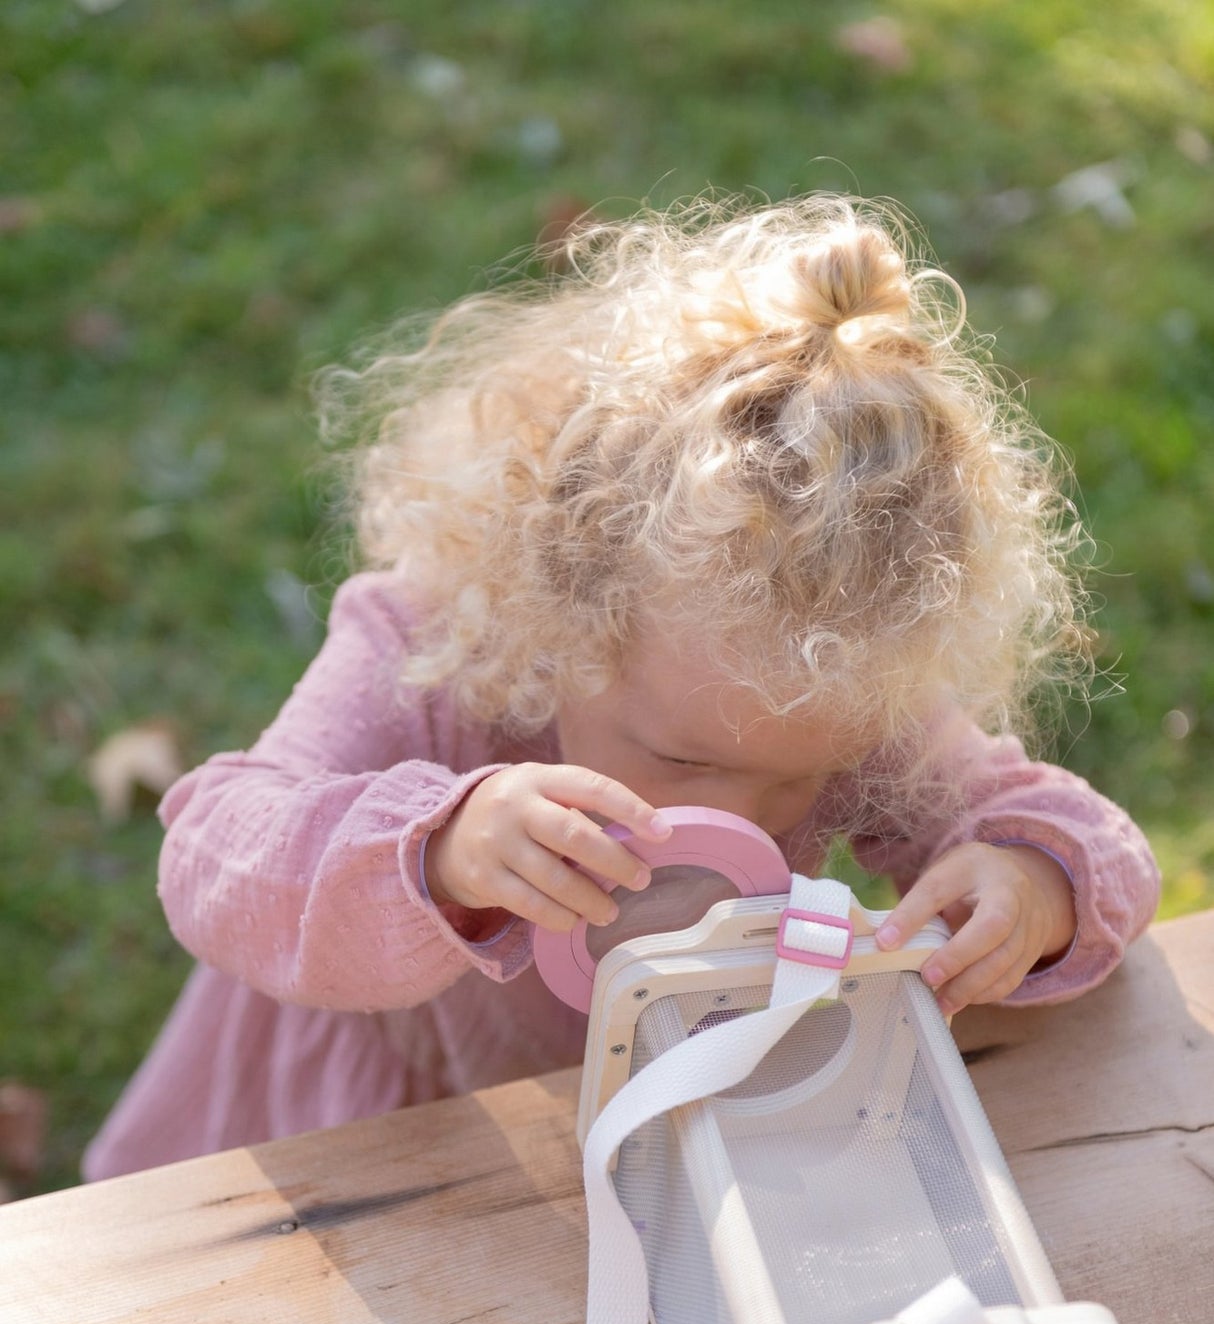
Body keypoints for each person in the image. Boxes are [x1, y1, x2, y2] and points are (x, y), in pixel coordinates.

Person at [83, 195, 1159, 1180]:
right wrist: (442, 850)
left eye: (797, 784)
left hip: (655, 1126)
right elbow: (214, 850)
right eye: (684, 760)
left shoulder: (836, 684)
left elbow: (1091, 844)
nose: (727, 818)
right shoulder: (441, 644)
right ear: (563, 609)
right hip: (361, 1133)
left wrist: (1031, 882)